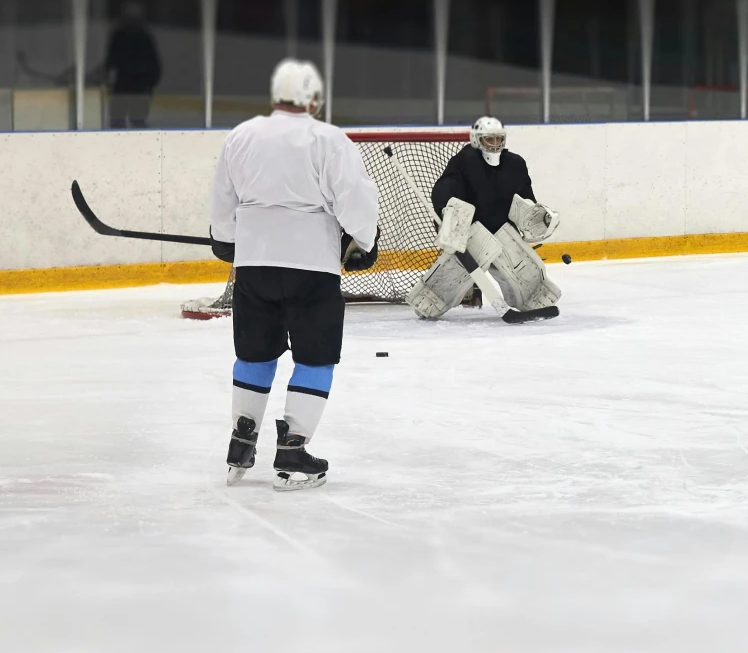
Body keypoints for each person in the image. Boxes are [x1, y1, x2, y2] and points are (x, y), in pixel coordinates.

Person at [208, 59, 380, 490]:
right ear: (315, 100)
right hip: (311, 267)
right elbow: (355, 198)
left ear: (275, 96)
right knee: (315, 357)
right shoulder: (328, 139)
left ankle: (241, 441)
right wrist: (365, 239)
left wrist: (225, 237)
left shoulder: (242, 135)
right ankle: (293, 451)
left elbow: (222, 196)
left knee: (255, 352)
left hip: (254, 265)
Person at [411, 115, 563, 323]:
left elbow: (526, 200)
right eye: (488, 140)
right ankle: (430, 299)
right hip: (472, 236)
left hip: (505, 235)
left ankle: (533, 296)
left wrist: (538, 217)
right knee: (434, 297)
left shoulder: (515, 164)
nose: (494, 144)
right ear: (476, 139)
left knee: (532, 283)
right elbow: (446, 188)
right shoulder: (464, 160)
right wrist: (448, 213)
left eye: (498, 139)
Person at [100, 3, 163, 128]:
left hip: (135, 84)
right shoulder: (126, 36)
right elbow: (112, 58)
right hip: (131, 84)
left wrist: (151, 80)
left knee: (129, 120)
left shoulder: (140, 37)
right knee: (125, 120)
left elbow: (112, 58)